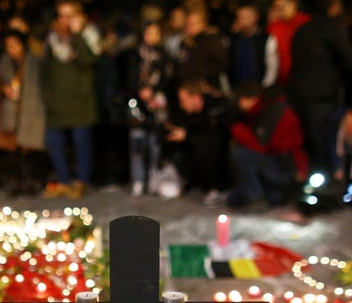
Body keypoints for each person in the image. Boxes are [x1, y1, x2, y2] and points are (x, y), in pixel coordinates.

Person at [287, 0, 352, 171]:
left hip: (299, 92)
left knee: (310, 139)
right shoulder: (330, 29)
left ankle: (312, 180)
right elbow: (350, 62)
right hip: (321, 94)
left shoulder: (302, 29)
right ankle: (324, 183)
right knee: (322, 139)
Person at [41, 0, 101, 199]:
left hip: (80, 102)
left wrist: (76, 35)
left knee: (81, 144)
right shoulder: (51, 39)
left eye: (70, 15)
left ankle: (81, 181)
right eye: (61, 15)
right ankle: (63, 180)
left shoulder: (88, 37)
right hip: (57, 102)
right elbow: (45, 69)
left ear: (79, 17)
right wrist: (46, 94)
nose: (65, 20)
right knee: (54, 142)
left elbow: (88, 60)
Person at [227, 81, 308, 208]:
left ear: (250, 99)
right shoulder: (264, 109)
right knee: (235, 199)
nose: (239, 105)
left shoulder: (272, 111)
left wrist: (236, 126)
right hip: (279, 164)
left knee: (240, 154)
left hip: (288, 167)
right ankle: (271, 195)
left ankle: (256, 198)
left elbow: (260, 146)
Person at [0, 30, 47, 196]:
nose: (12, 49)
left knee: (29, 148)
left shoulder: (33, 62)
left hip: (30, 110)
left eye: (14, 45)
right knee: (11, 149)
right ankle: (16, 181)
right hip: (9, 113)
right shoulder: (3, 63)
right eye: (8, 46)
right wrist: (3, 89)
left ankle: (32, 181)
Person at [165, 79, 232, 207]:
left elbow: (213, 142)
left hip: (223, 159)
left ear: (195, 98)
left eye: (184, 100)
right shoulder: (191, 113)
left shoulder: (215, 111)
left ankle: (218, 189)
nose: (182, 105)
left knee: (203, 149)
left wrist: (186, 136)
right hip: (206, 155)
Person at [126, 20, 171, 197]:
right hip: (137, 105)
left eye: (155, 33)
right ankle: (138, 180)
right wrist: (140, 91)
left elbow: (168, 79)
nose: (152, 37)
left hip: (157, 105)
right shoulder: (135, 56)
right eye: (148, 33)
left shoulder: (164, 56)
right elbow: (128, 79)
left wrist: (157, 94)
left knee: (155, 144)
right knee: (137, 144)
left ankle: (153, 178)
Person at [176, 1, 229, 90]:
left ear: (203, 24)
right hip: (187, 87)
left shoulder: (212, 40)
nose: (189, 27)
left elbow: (222, 64)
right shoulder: (185, 42)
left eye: (192, 24)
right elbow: (181, 63)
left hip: (207, 87)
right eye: (187, 24)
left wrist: (202, 74)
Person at [229, 0, 278, 89]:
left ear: (256, 17)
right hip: (236, 89)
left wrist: (265, 87)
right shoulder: (232, 39)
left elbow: (272, 68)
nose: (244, 21)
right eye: (240, 17)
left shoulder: (267, 39)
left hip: (259, 88)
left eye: (247, 17)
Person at [267, 0, 311, 86]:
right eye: (276, 8)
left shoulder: (307, 23)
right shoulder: (273, 28)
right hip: (283, 81)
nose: (279, 11)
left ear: (293, 4)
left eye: (281, 7)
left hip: (306, 78)